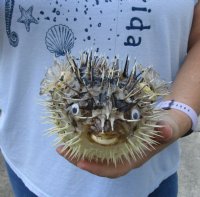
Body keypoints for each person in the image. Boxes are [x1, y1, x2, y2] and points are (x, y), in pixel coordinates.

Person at [0, 0, 200, 196]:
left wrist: (180, 111)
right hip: (31, 166)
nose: (105, 129)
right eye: (76, 110)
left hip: (151, 176)